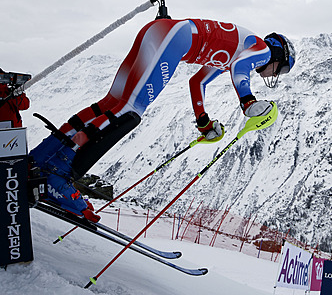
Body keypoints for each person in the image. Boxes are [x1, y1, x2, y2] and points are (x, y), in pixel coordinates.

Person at [30, 17, 296, 222]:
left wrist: (203, 121)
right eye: (281, 69)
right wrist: (248, 102)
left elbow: (197, 82)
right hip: (175, 40)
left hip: (162, 32)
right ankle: (58, 176)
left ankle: (44, 156)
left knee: (112, 103)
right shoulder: (262, 50)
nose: (274, 73)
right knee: (130, 112)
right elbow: (241, 69)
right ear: (278, 56)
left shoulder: (239, 49)